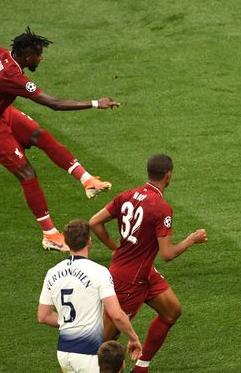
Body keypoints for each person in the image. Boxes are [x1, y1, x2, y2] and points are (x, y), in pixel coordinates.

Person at [0, 27, 120, 252]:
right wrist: (96, 103)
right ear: (28, 57)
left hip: (1, 113)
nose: (41, 58)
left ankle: (87, 181)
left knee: (40, 136)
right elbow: (54, 104)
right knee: (27, 174)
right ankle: (50, 235)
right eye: (38, 55)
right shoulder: (13, 77)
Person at [89, 153, 208, 373]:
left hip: (142, 272)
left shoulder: (127, 195)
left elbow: (94, 222)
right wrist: (192, 239)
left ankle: (141, 367)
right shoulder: (161, 208)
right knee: (106, 339)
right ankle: (74, 366)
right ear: (169, 175)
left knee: (172, 311)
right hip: (129, 281)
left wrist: (116, 248)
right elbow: (167, 254)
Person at [38, 219, 142, 373]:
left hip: (63, 354)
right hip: (88, 354)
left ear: (66, 243)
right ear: (89, 241)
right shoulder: (99, 272)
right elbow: (116, 315)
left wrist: (70, 324)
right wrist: (134, 339)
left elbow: (43, 316)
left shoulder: (52, 272)